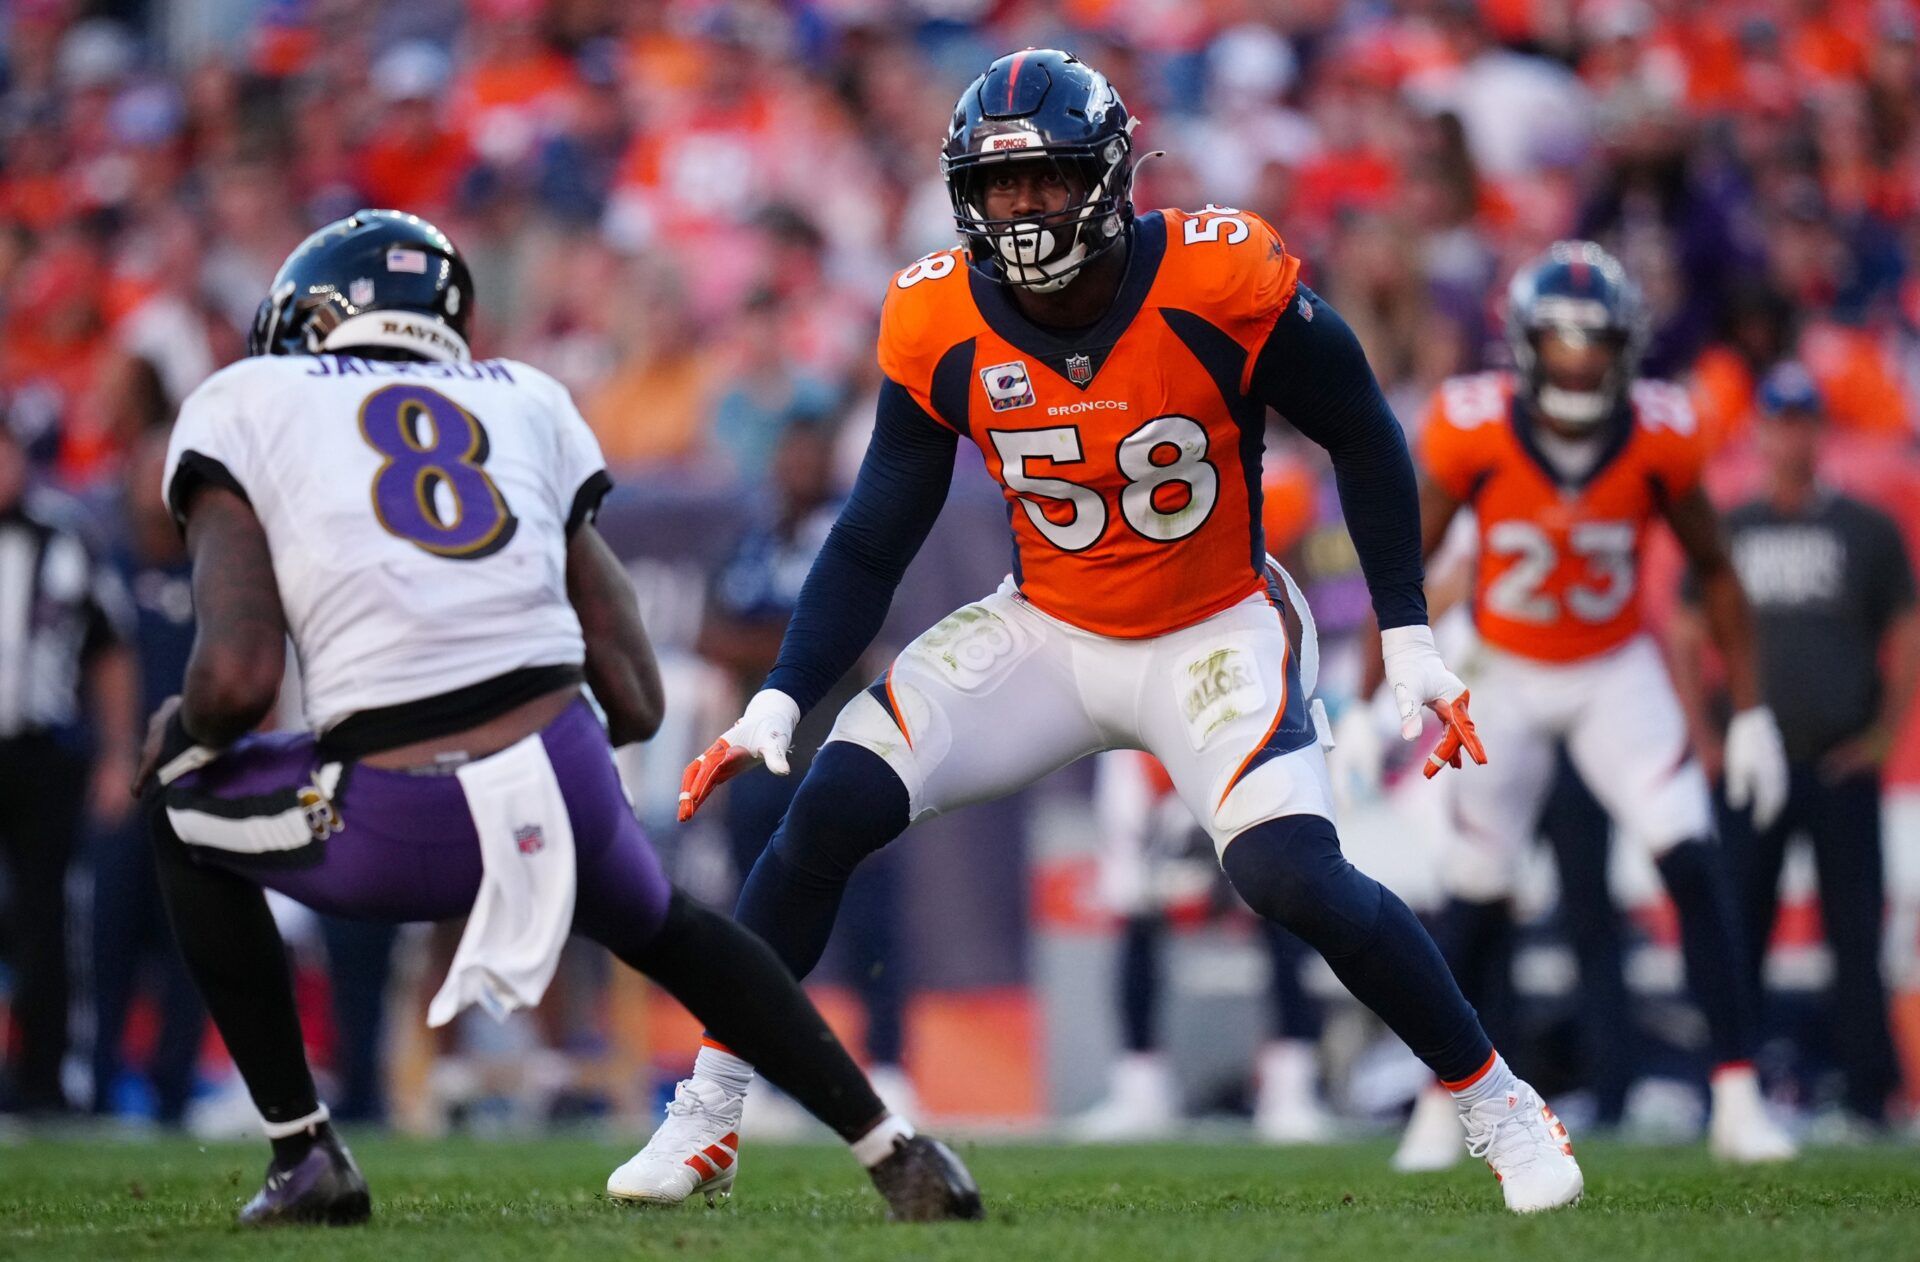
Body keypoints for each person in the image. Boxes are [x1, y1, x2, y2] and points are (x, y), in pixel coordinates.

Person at [615, 49, 1583, 1215]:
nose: (1022, 212)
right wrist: (782, 691)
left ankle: (1499, 1100)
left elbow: (1370, 435)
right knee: (829, 803)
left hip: (1212, 624)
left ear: (1114, 175)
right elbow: (878, 527)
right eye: (1000, 186)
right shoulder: (937, 314)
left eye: (1050, 180)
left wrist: (1411, 634)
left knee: (1291, 874)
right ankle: (710, 1109)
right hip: (1051, 628)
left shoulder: (1220, 276)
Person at [135, 209, 980, 1226]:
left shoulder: (248, 399)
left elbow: (233, 678)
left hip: (389, 816)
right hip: (563, 770)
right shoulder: (526, 395)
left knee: (182, 799)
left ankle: (304, 1148)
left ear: (314, 317)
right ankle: (896, 1148)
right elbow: (634, 695)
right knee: (669, 926)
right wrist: (542, 810)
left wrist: (186, 730)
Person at [1390, 242, 1796, 1170]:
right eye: (1559, 340)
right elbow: (1407, 560)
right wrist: (1398, 670)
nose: (1577, 360)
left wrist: (1755, 710)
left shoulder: (1661, 431)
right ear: (1526, 345)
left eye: (1595, 341)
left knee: (1690, 858)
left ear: (1627, 347)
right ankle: (1434, 1105)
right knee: (1478, 898)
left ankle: (1738, 1098)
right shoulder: (1474, 428)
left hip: (1615, 668)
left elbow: (1718, 572)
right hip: (1505, 671)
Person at [1673, 363, 1919, 1133]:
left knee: (1855, 931)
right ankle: (1733, 1088)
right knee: (1737, 922)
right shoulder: (1732, 526)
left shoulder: (1865, 530)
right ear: (1761, 431)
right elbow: (1685, 631)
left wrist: (1883, 733)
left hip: (1840, 753)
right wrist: (1706, 738)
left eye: (1804, 419)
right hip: (1754, 755)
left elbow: (1906, 631)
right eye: (1779, 420)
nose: (1792, 435)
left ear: (1821, 430)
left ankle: (1868, 1095)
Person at [701, 422, 916, 1119]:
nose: (800, 464)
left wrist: (772, 647)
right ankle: (759, 1070)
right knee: (758, 922)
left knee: (867, 926)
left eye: (813, 452)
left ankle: (888, 1065)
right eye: (790, 450)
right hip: (760, 764)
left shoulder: (849, 536)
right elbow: (709, 633)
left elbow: (844, 636)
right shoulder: (755, 538)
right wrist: (785, 644)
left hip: (837, 752)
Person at [1071, 750, 1332, 1143]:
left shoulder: (1248, 732)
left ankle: (1291, 1090)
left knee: (1289, 913)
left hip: (1248, 842)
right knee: (1133, 928)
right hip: (1166, 859)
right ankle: (1141, 1090)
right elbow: (1123, 859)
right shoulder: (1135, 750)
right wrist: (1157, 885)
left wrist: (1244, 883)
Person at [0, 416, 139, 1119]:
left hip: (41, 750)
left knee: (47, 916)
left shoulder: (64, 533)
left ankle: (43, 1079)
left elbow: (109, 648)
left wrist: (117, 755)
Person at [90, 421, 206, 1127]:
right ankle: (97, 1084)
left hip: (199, 780)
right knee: (107, 939)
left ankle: (174, 1091)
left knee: (193, 944)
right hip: (124, 784)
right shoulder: (106, 568)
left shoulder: (220, 573)